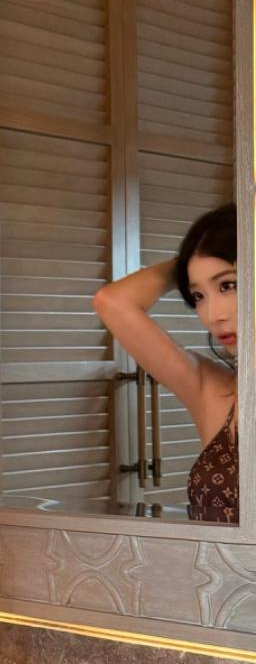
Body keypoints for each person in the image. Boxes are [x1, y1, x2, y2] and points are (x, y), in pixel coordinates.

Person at [92, 202, 238, 522]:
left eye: (228, 285)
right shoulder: (217, 394)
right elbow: (112, 302)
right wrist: (187, 260)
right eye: (198, 295)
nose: (213, 316)